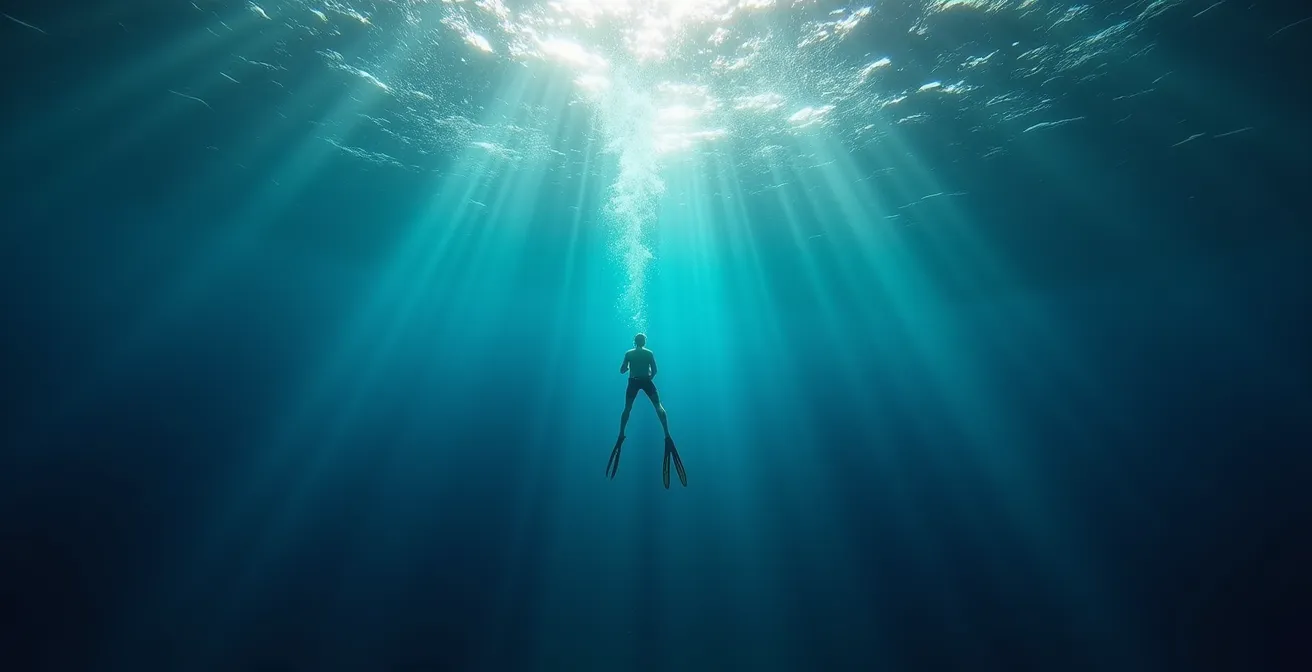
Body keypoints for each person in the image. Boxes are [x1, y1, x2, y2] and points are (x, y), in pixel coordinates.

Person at [606, 333, 686, 488]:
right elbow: (655, 370)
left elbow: (622, 370)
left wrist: (627, 366)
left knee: (627, 408)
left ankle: (621, 433)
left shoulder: (629, 353)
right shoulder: (649, 353)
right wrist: (649, 377)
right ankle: (667, 434)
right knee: (659, 406)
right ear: (644, 341)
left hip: (633, 381)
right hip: (646, 381)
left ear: (634, 341)